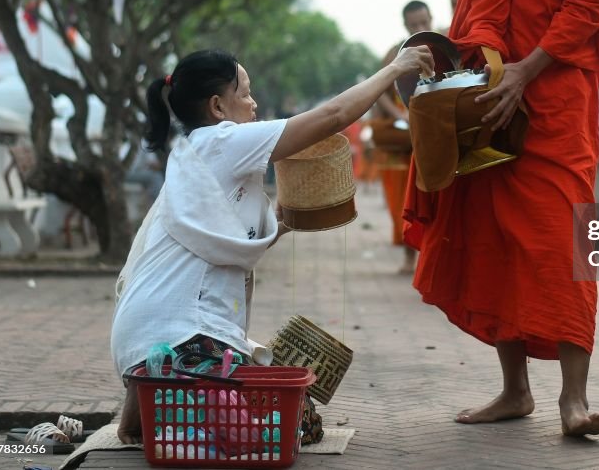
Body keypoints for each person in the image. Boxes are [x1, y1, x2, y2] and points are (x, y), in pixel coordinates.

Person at [402, 0, 599, 437]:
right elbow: (473, 20)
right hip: (490, 107)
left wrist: (527, 70)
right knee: (491, 241)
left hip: (551, 104)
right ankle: (514, 390)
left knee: (560, 242)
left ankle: (572, 401)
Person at [111, 45, 433, 444]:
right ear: (217, 106)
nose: (254, 102)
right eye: (244, 93)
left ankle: (145, 406)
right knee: (262, 437)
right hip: (180, 338)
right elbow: (332, 117)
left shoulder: (192, 153)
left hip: (141, 337)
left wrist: (281, 223)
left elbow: (222, 242)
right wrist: (395, 70)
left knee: (247, 413)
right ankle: (173, 396)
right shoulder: (223, 140)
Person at [373, 0, 433, 273]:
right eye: (414, 25)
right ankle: (409, 257)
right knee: (403, 199)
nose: (420, 28)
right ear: (405, 26)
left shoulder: (442, 48)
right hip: (404, 137)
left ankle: (433, 258)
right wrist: (398, 115)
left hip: (434, 134)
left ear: (431, 19)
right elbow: (380, 92)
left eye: (424, 22)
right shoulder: (394, 54)